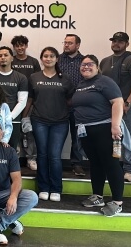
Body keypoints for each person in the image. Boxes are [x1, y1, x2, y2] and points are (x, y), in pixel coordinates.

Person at [72, 55, 124, 217]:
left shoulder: (104, 81)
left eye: (90, 64)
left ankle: (117, 202)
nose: (86, 67)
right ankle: (98, 197)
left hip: (105, 128)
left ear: (97, 67)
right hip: (86, 130)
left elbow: (118, 102)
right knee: (95, 164)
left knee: (111, 164)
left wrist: (115, 126)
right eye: (83, 65)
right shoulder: (81, 84)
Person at [24, 47, 74, 202]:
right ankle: (44, 188)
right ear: (41, 59)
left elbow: (71, 101)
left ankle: (56, 189)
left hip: (60, 122)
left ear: (57, 59)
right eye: (45, 56)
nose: (48, 58)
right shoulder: (33, 77)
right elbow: (30, 100)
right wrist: (25, 117)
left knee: (54, 156)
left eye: (52, 56)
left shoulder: (65, 78)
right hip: (39, 120)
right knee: (42, 154)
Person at [99, 32, 131, 182]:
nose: (116, 44)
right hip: (107, 106)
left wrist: (128, 102)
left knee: (127, 136)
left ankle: (130, 169)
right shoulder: (105, 61)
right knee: (110, 137)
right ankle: (113, 167)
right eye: (114, 41)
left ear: (127, 44)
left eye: (120, 41)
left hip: (126, 105)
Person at [0, 46, 28, 150]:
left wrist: (8, 117)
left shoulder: (21, 78)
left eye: (6, 55)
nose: (3, 57)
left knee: (10, 150)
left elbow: (22, 101)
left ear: (12, 58)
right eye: (0, 56)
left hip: (13, 120)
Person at [10, 35, 40, 171]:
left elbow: (38, 81)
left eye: (22, 45)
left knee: (28, 130)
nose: (20, 48)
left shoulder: (33, 62)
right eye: (17, 45)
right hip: (13, 101)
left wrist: (31, 101)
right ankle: (14, 157)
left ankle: (31, 158)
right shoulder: (11, 60)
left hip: (30, 100)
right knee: (14, 130)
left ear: (26, 46)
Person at [59, 34, 86, 176]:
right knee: (58, 134)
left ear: (78, 45)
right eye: (65, 42)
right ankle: (55, 161)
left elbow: (88, 80)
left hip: (78, 105)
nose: (66, 45)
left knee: (77, 136)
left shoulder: (84, 61)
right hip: (59, 104)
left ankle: (77, 164)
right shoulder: (57, 59)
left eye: (70, 43)